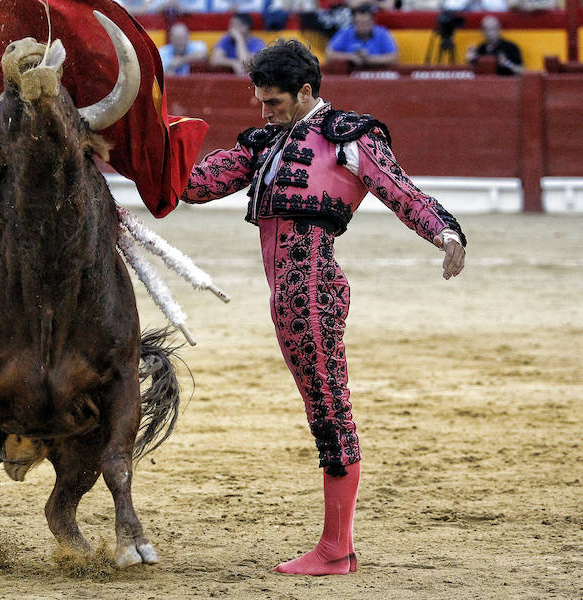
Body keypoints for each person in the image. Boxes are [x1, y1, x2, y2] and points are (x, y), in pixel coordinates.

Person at [181, 39, 466, 576]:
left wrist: (446, 232)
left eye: (273, 102)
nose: (264, 111)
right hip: (285, 295)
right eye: (261, 102)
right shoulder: (266, 142)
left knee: (329, 407)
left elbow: (399, 191)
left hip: (311, 291)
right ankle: (337, 546)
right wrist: (137, 148)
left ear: (306, 91)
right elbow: (196, 185)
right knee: (324, 405)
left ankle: (337, 549)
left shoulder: (347, 138)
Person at [325, 4, 397, 68]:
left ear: (373, 22)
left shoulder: (382, 33)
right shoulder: (345, 33)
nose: (363, 27)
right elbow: (329, 54)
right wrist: (351, 57)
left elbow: (394, 57)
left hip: (378, 73)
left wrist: (369, 59)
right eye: (359, 23)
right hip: (350, 74)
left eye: (366, 23)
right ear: (353, 22)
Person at [209, 12, 265, 76]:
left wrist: (239, 39)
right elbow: (214, 60)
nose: (230, 28)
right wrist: (233, 63)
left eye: (233, 25)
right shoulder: (227, 39)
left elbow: (245, 62)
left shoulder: (258, 44)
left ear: (245, 27)